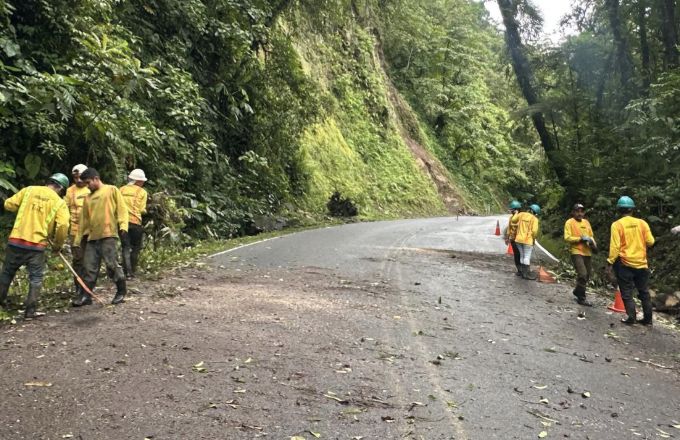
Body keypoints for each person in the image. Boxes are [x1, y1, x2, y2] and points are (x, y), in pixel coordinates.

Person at [0, 174, 70, 318]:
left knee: (7, 273)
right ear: (61, 188)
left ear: (48, 182)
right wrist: (57, 245)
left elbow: (8, 204)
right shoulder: (59, 202)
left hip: (16, 240)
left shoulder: (29, 190)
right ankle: (30, 311)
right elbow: (63, 226)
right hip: (36, 246)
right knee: (36, 278)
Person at [73, 168, 129, 306]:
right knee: (89, 267)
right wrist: (77, 239)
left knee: (112, 264)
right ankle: (86, 296)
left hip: (108, 234)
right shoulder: (87, 198)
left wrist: (123, 225)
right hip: (92, 237)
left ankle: (121, 291)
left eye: (88, 183)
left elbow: (122, 209)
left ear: (96, 179)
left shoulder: (111, 190)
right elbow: (83, 220)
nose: (87, 186)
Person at [606, 196, 655, 326]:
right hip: (642, 264)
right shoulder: (642, 223)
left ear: (619, 210)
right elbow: (651, 241)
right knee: (644, 292)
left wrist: (610, 262)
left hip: (625, 264)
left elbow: (615, 247)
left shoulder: (617, 225)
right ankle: (648, 319)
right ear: (632, 209)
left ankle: (631, 317)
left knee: (627, 292)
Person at [64, 164, 91, 305]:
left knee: (89, 261)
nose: (78, 180)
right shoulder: (70, 191)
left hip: (90, 230)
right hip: (75, 231)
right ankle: (79, 289)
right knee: (78, 260)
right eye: (75, 178)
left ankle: (88, 291)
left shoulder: (91, 189)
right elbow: (65, 207)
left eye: (81, 177)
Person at [564, 203, 597, 306]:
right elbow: (567, 237)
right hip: (576, 251)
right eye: (577, 211)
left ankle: (577, 291)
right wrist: (580, 239)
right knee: (582, 274)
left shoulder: (586, 222)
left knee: (587, 275)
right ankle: (581, 298)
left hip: (587, 252)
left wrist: (594, 244)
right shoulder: (569, 222)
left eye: (581, 211)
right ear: (573, 212)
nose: (579, 213)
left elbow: (591, 236)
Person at [120, 169, 148, 279]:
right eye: (142, 181)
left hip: (122, 223)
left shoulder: (121, 189)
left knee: (125, 247)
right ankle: (132, 271)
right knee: (136, 247)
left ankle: (126, 272)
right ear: (138, 181)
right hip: (135, 222)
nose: (143, 183)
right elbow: (142, 209)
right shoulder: (142, 192)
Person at [511, 204, 540, 280]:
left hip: (518, 240)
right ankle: (526, 274)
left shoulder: (521, 214)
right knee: (526, 256)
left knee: (522, 255)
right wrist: (533, 238)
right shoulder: (534, 219)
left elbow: (513, 220)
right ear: (535, 212)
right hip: (527, 240)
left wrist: (516, 213)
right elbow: (534, 231)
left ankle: (522, 272)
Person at [504, 200, 523, 276]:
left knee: (522, 255)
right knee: (516, 255)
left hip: (521, 239)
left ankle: (523, 270)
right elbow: (509, 228)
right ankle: (519, 270)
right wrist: (507, 238)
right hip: (513, 239)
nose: (511, 212)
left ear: (516, 210)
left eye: (512, 210)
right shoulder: (511, 218)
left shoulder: (521, 217)